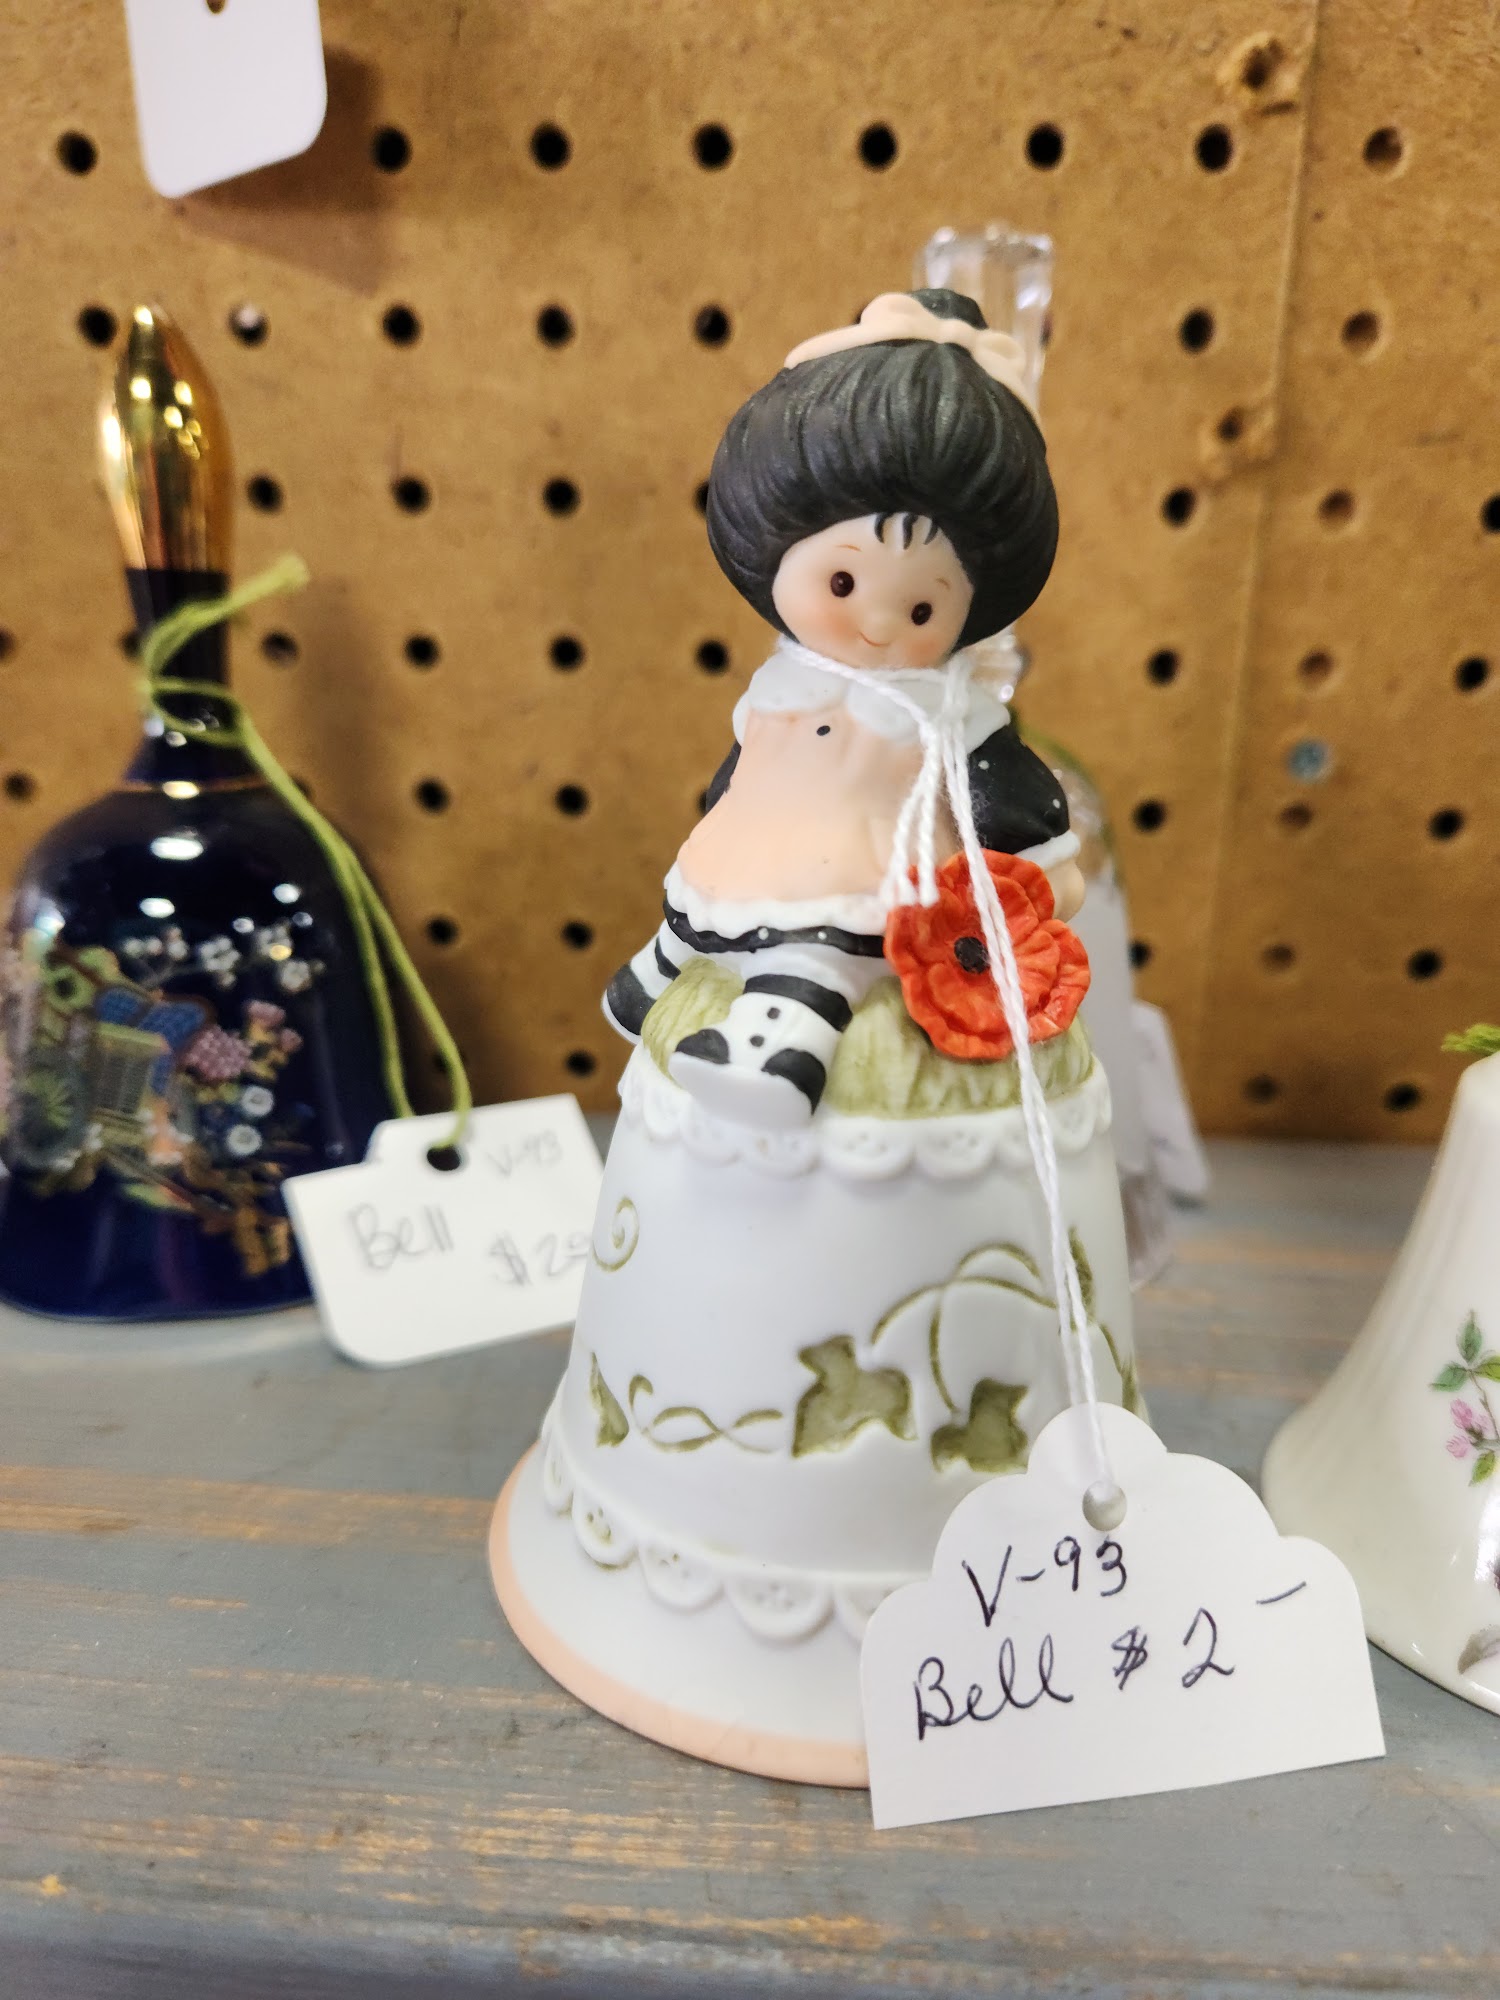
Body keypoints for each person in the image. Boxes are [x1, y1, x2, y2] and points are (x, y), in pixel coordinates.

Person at [604, 287, 1081, 1129]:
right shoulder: (782, 686)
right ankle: (652, 981)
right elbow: (743, 769)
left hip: (870, 871)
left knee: (820, 950)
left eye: (922, 606)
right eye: (842, 581)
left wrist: (1045, 858)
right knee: (700, 907)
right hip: (756, 842)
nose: (878, 622)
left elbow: (1004, 790)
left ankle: (778, 1049)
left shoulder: (942, 711)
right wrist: (724, 809)